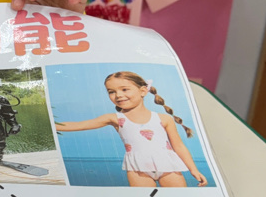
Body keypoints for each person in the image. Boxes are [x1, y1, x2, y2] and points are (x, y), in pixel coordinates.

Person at [54, 71, 208, 188]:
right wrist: (48, 126)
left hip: (169, 167)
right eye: (111, 92)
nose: (118, 95)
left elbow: (179, 146)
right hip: (137, 169)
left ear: (143, 91)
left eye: (124, 89)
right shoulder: (114, 118)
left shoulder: (163, 118)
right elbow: (79, 125)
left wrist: (193, 170)